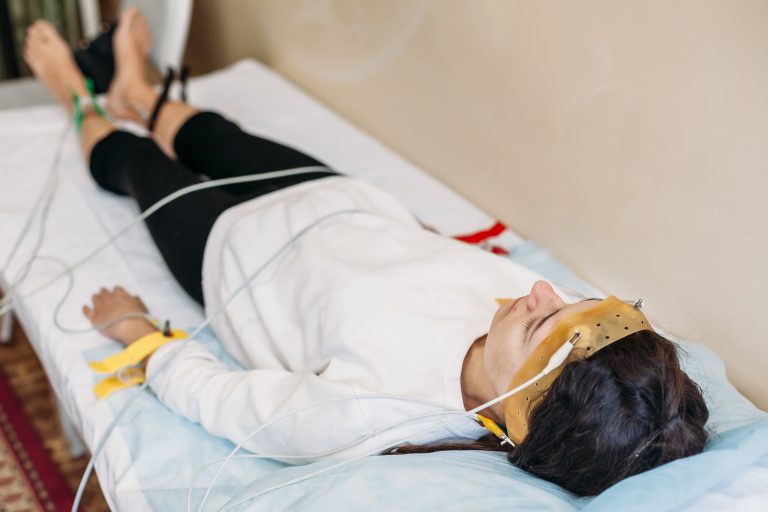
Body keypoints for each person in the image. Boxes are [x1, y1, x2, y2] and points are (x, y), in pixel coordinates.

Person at [24, 9, 709, 497]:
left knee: (139, 167)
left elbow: (232, 404)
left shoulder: (368, 408)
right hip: (338, 201)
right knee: (215, 136)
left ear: (513, 411)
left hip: (230, 256)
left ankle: (78, 98)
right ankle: (137, 92)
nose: (540, 292)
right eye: (566, 299)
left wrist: (143, 338)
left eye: (540, 322)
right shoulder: (538, 325)